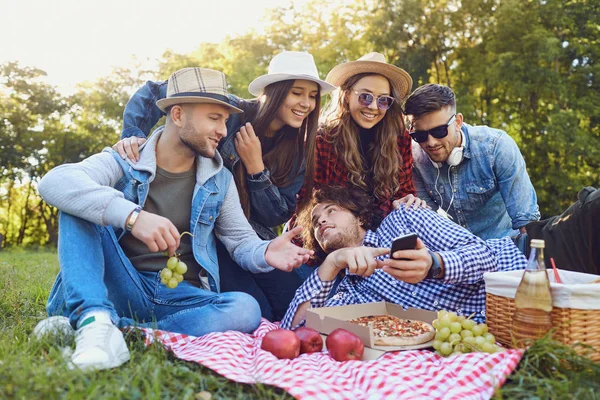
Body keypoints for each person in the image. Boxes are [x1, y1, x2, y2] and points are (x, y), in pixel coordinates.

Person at [35, 67, 312, 371]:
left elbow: (240, 241)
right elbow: (56, 182)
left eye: (224, 119)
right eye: (213, 118)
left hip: (178, 296)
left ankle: (119, 329)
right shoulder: (126, 159)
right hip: (120, 282)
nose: (223, 130)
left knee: (246, 309)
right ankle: (94, 319)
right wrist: (133, 217)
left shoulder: (219, 179)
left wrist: (265, 252)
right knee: (78, 202)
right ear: (178, 115)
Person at [114, 51, 335, 321]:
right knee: (260, 312)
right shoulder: (229, 113)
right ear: (273, 92)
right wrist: (133, 135)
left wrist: (257, 170)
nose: (306, 103)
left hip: (249, 237)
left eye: (312, 96)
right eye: (297, 93)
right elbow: (154, 91)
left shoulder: (298, 151)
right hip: (209, 233)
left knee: (291, 303)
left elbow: (277, 214)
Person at [280, 186, 527, 329]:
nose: (322, 220)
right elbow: (295, 328)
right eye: (315, 222)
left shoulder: (404, 218)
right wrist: (332, 263)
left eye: (331, 211)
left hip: (525, 269)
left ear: (359, 217)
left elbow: (485, 256)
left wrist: (434, 264)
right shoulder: (350, 293)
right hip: (498, 327)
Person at [404, 84, 541, 240]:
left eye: (439, 131)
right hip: (459, 252)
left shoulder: (497, 148)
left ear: (457, 122)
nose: (431, 143)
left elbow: (527, 223)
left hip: (506, 247)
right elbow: (429, 220)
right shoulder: (414, 159)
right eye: (420, 136)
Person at [295, 52, 422, 220]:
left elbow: (404, 191)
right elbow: (307, 200)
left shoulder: (399, 139)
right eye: (365, 97)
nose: (373, 107)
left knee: (420, 216)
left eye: (383, 100)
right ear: (347, 95)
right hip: (334, 227)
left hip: (385, 223)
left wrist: (406, 200)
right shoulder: (322, 139)